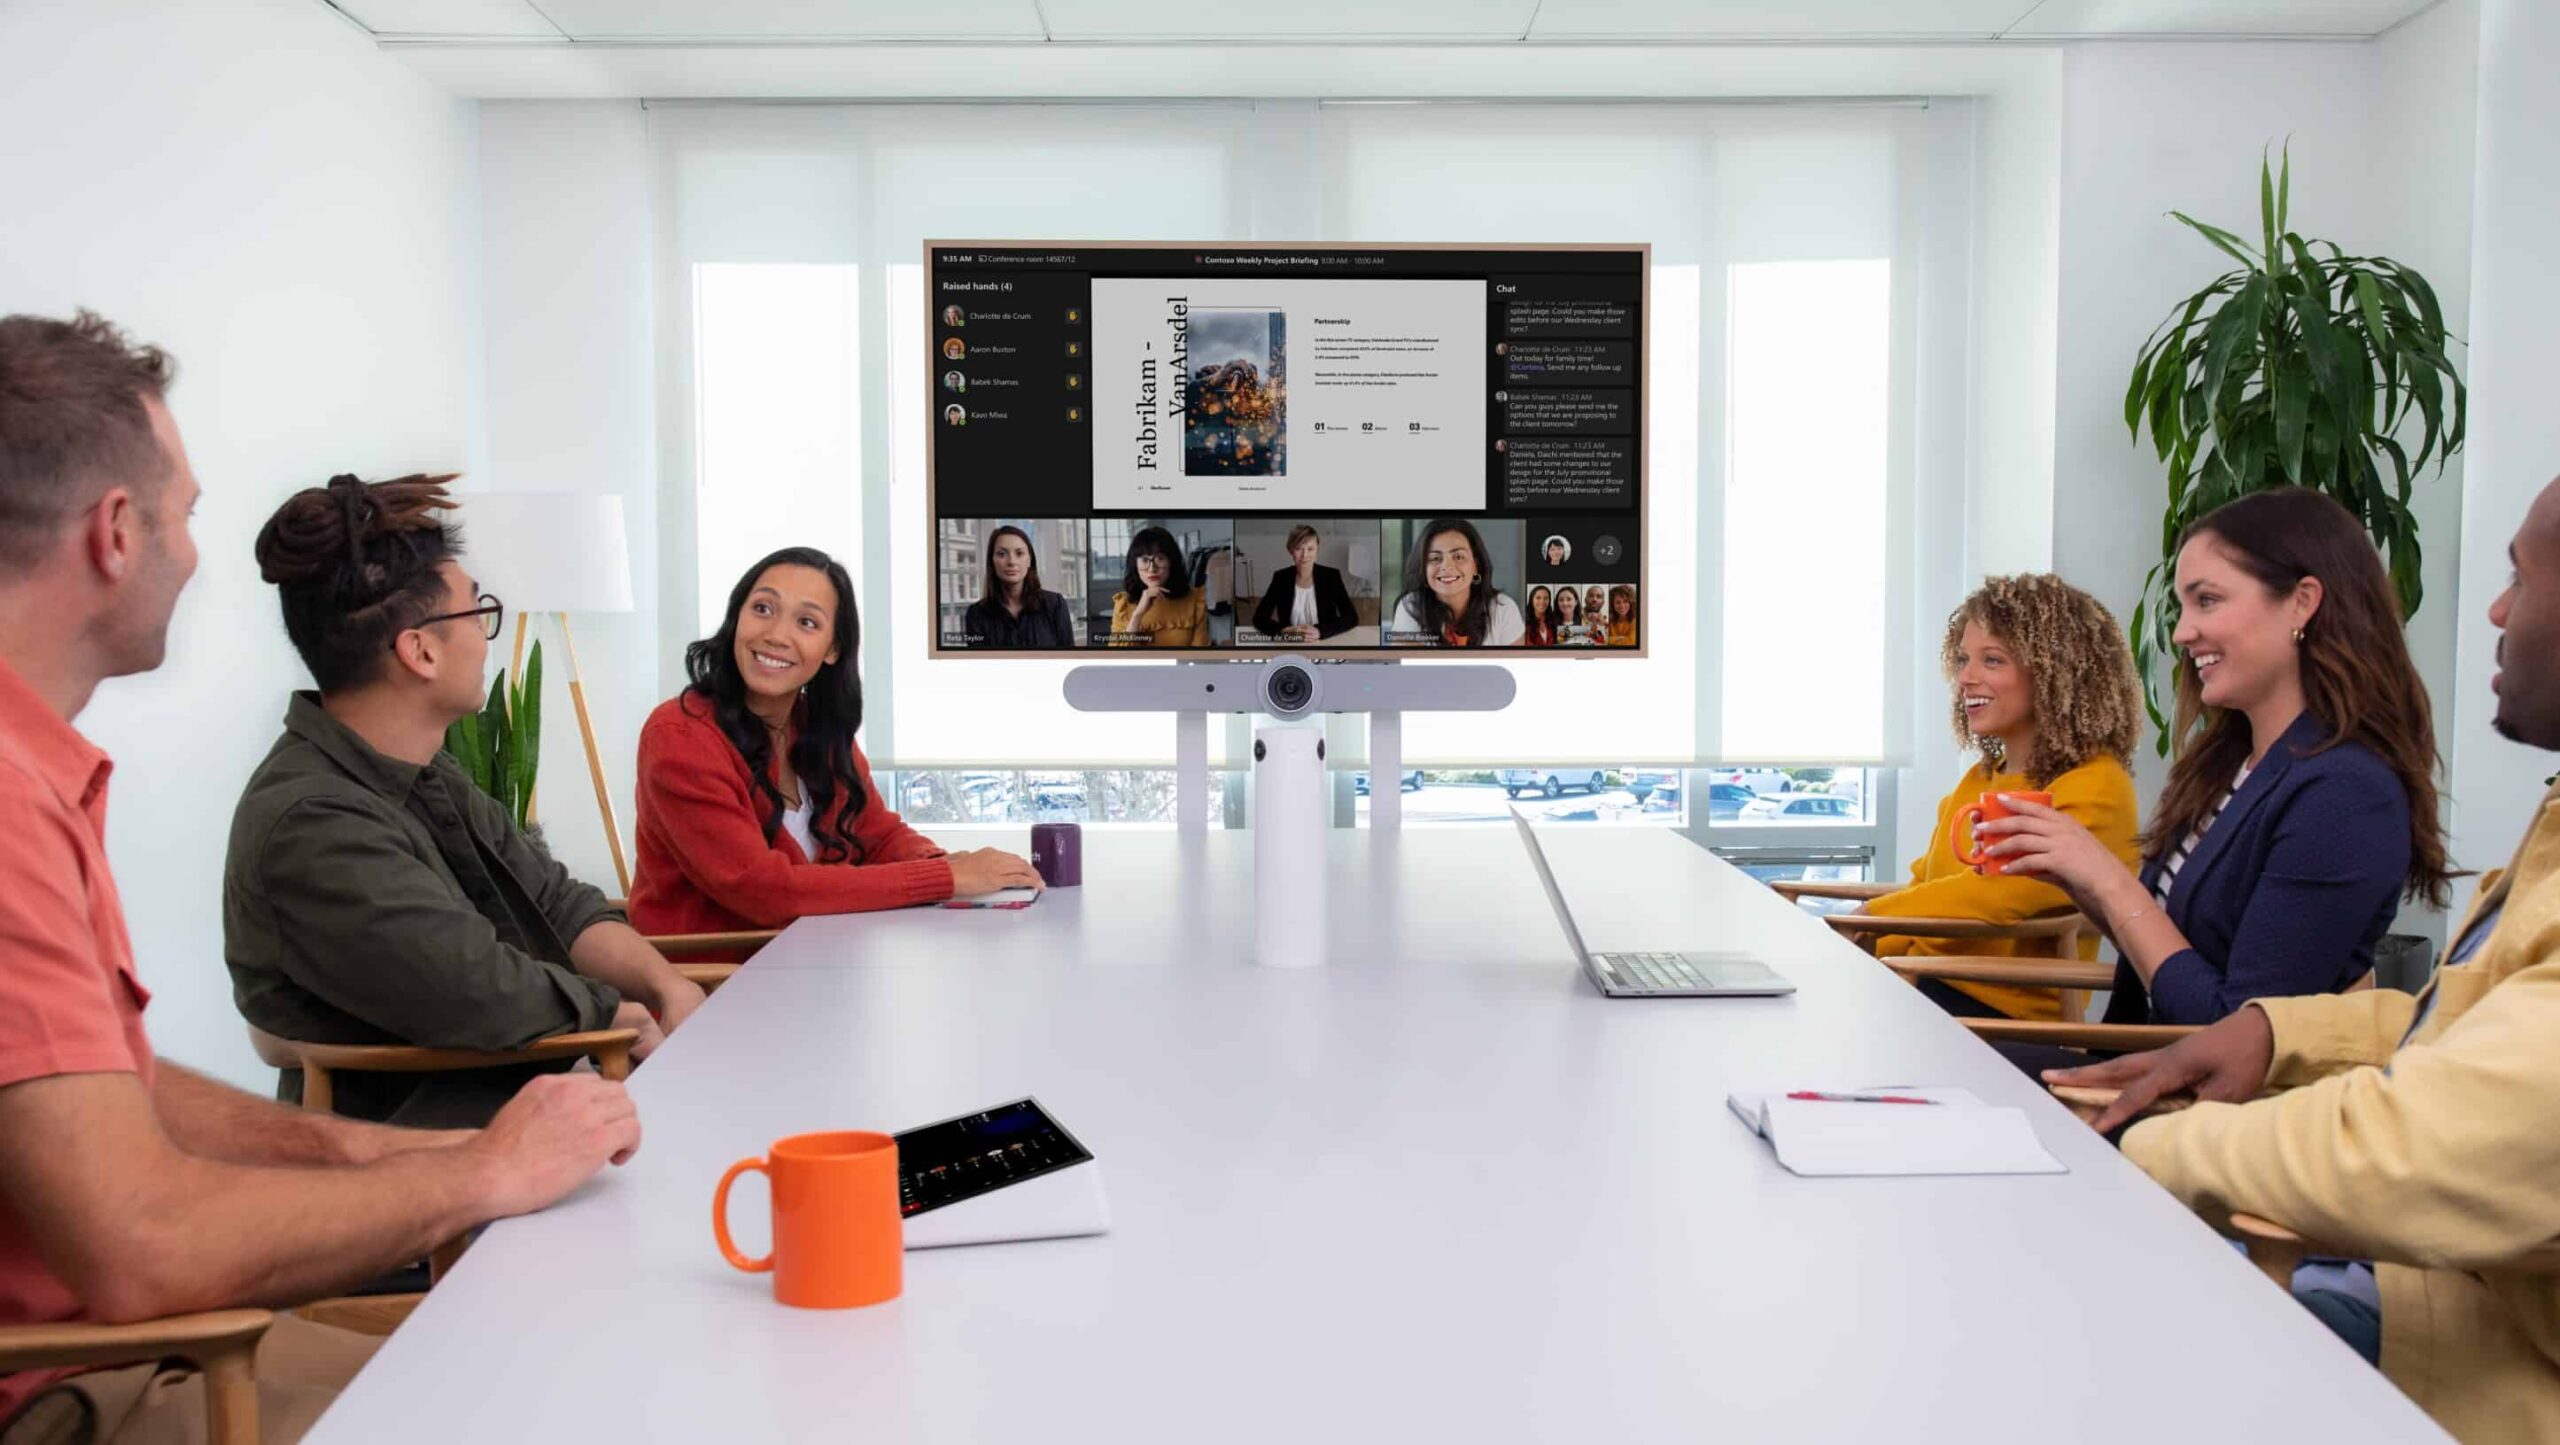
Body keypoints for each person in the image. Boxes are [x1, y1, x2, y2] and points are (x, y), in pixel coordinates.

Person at [0, 311, 638, 1445]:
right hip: (93, 1380)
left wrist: (405, 1153)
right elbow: (142, 1242)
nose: (197, 556)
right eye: (185, 514)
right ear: (115, 532)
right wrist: (480, 1171)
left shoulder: (42, 775)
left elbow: (106, 1089)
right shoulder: (15, 805)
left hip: (149, 1340)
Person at [2049, 473, 2560, 1442]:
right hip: (2416, 1273)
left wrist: (2144, 1142)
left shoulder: (2343, 789)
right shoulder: (2241, 765)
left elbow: (2424, 1149)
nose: (2495, 611)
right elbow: (2449, 1019)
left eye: (2521, 579)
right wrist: (2277, 1029)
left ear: (2302, 604)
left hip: (2449, 1323)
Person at [229, 473, 705, 1128]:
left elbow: (556, 902)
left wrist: (665, 985)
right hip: (428, 1148)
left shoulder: (429, 772)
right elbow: (478, 987)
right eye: (477, 612)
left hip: (533, 1103)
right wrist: (620, 1017)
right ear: (420, 650)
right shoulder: (312, 822)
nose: (486, 636)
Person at [1976, 488, 2448, 1038]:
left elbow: (2233, 1030)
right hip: (2140, 1062)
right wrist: (2075, 872)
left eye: (2207, 600)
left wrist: (2107, 879)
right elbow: (2168, 938)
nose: (2181, 632)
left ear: (2302, 602)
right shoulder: (2228, 765)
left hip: (2197, 1087)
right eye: (2183, 606)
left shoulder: (2346, 794)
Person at [632, 547, 1040, 952]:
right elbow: (760, 889)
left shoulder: (817, 725)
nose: (776, 635)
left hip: (817, 960)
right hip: (714, 977)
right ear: (736, 618)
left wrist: (949, 864)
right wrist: (946, 878)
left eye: (807, 622)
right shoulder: (679, 737)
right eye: (762, 609)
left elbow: (878, 836)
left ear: (832, 650)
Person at [1855, 575, 2141, 1022]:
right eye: (1963, 660)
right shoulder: (1979, 779)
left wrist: (1869, 918)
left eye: (1992, 660)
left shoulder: (2096, 786)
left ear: (2053, 672)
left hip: (1996, 1017)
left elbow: (1997, 897)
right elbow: (1924, 889)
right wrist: (1862, 951)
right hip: (1922, 985)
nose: (1965, 678)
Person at [1390, 520, 1523, 647]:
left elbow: (1516, 662)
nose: (1447, 566)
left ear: (1476, 565)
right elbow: (1406, 661)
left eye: (1458, 557)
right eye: (1435, 558)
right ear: (1423, 569)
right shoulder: (1411, 606)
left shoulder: (1503, 608)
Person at [961, 525, 1074, 649]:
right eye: (1002, 554)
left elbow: (1068, 656)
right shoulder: (976, 615)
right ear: (992, 562)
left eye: (1019, 553)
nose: (1012, 562)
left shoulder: (1055, 605)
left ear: (1029, 560)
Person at [1250, 524, 1356, 643]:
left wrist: (1320, 631)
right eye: (1299, 548)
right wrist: (1284, 630)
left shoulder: (1331, 576)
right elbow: (1259, 618)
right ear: (1290, 550)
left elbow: (1351, 617)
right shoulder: (1281, 577)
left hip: (1324, 641)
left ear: (1317, 549)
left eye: (1310, 549)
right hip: (1291, 643)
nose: (1305, 555)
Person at [1106, 526, 1207, 647]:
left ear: (1171, 562)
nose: (1152, 568)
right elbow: (1117, 655)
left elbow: (1200, 652)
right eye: (1144, 560)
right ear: (1135, 565)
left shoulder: (1195, 599)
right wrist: (1137, 614)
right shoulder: (1123, 604)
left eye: (1160, 558)